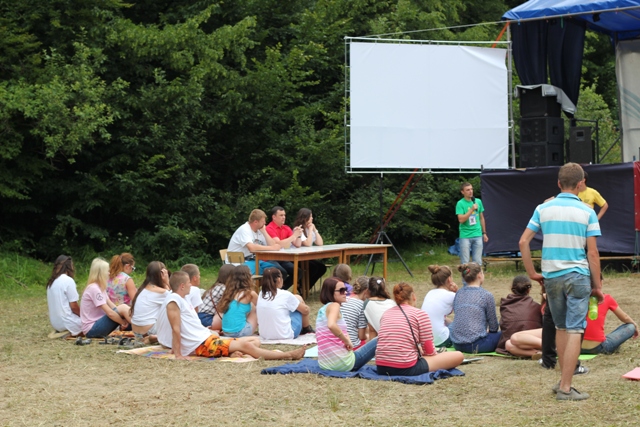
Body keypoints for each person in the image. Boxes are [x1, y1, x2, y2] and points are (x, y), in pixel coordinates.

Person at [519, 162, 602, 401]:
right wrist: (597, 286)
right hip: (577, 276)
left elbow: (523, 242)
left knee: (561, 327)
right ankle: (566, 387)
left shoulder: (543, 208)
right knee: (576, 329)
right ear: (580, 184)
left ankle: (562, 382)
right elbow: (593, 254)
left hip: (551, 276)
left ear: (558, 183)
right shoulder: (588, 212)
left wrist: (533, 273)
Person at [155, 271, 305, 361]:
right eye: (188, 283)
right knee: (246, 345)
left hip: (207, 338)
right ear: (182, 286)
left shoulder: (181, 298)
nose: (191, 285)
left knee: (254, 341)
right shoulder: (174, 301)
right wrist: (178, 354)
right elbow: (175, 328)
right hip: (202, 344)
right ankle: (286, 355)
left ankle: (230, 352)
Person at [376, 283, 464, 376]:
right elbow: (429, 352)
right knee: (458, 355)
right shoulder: (420, 314)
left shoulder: (386, 313)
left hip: (381, 367)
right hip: (406, 367)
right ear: (413, 296)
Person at [316, 277, 378, 371]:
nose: (345, 292)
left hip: (324, 364)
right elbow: (331, 325)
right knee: (382, 337)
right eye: (341, 290)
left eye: (345, 289)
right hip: (344, 364)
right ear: (331, 292)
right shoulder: (335, 305)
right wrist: (347, 341)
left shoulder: (323, 309)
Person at [449, 263, 501, 353]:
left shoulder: (459, 293)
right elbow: (493, 327)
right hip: (476, 344)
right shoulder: (486, 295)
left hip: (456, 344)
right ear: (479, 275)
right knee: (507, 334)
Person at [582, 278, 638, 354]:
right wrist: (635, 325)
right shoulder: (606, 298)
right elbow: (624, 317)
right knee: (630, 326)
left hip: (576, 347)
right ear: (601, 282)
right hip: (599, 348)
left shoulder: (574, 299)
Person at [227, 209, 288, 278]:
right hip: (239, 263)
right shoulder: (244, 229)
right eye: (263, 221)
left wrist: (264, 232)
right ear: (256, 222)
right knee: (273, 273)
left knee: (280, 271)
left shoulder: (259, 230)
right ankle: (266, 288)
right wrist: (272, 248)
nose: (265, 223)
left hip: (254, 261)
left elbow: (272, 244)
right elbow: (252, 248)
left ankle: (272, 288)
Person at [256, 267, 314, 340]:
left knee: (293, 301)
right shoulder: (285, 294)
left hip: (265, 334)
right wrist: (306, 307)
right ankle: (306, 328)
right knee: (298, 299)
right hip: (286, 334)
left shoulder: (261, 294)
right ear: (279, 280)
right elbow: (305, 310)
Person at [80, 257, 132, 338]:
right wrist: (122, 322)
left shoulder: (100, 287)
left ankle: (142, 328)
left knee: (123, 310)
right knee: (123, 308)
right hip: (92, 330)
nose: (109, 273)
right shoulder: (94, 288)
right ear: (101, 273)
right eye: (107, 271)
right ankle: (144, 329)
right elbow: (110, 313)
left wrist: (123, 316)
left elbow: (113, 307)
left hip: (98, 325)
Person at [497, 276, 543, 357]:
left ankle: (548, 349)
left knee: (509, 342)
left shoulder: (505, 306)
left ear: (512, 288)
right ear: (529, 290)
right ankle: (539, 354)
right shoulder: (536, 306)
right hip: (526, 343)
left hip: (529, 341)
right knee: (508, 344)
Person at [211, 265, 258, 337]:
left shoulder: (229, 292)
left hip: (226, 332)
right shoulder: (249, 293)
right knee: (254, 308)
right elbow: (262, 306)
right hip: (239, 333)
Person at [130, 262, 171, 342]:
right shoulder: (162, 292)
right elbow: (177, 299)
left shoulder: (142, 289)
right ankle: (157, 337)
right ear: (162, 274)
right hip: (149, 330)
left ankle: (156, 337)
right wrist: (167, 282)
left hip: (136, 332)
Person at [265, 206, 303, 289]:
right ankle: (276, 291)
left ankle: (281, 290)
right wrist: (294, 236)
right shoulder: (269, 228)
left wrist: (299, 235)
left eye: (284, 215)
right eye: (281, 215)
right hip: (271, 257)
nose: (283, 217)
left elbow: (297, 244)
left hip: (282, 257)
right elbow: (278, 244)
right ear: (274, 217)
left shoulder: (286, 228)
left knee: (298, 272)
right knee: (282, 272)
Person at [421, 265, 458, 347]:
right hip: (442, 340)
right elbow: (466, 305)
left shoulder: (430, 293)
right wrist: (457, 291)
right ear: (449, 279)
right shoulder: (450, 295)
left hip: (426, 341)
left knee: (445, 320)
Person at [46, 255, 82, 337]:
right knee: (91, 324)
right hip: (67, 322)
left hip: (55, 324)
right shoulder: (68, 281)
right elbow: (74, 307)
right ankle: (71, 332)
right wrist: (84, 316)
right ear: (70, 267)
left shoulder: (51, 283)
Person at [293, 208, 327, 288]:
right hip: (298, 258)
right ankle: (301, 286)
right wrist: (311, 230)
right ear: (305, 218)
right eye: (310, 216)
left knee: (322, 267)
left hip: (307, 257)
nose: (312, 218)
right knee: (314, 268)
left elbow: (320, 243)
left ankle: (305, 287)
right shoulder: (298, 229)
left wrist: (315, 230)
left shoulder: (310, 229)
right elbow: (307, 244)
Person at [455, 182, 488, 265]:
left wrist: (484, 233)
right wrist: (471, 210)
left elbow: (481, 218)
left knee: (477, 262)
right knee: (465, 263)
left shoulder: (478, 201)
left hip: (477, 234)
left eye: (471, 189)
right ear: (462, 192)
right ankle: (465, 278)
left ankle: (477, 278)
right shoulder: (460, 203)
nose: (470, 191)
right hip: (465, 235)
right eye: (468, 190)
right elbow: (461, 220)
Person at [340, 276, 369, 350]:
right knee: (372, 337)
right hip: (352, 346)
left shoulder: (343, 299)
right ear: (366, 291)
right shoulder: (362, 305)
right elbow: (362, 336)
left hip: (338, 343)